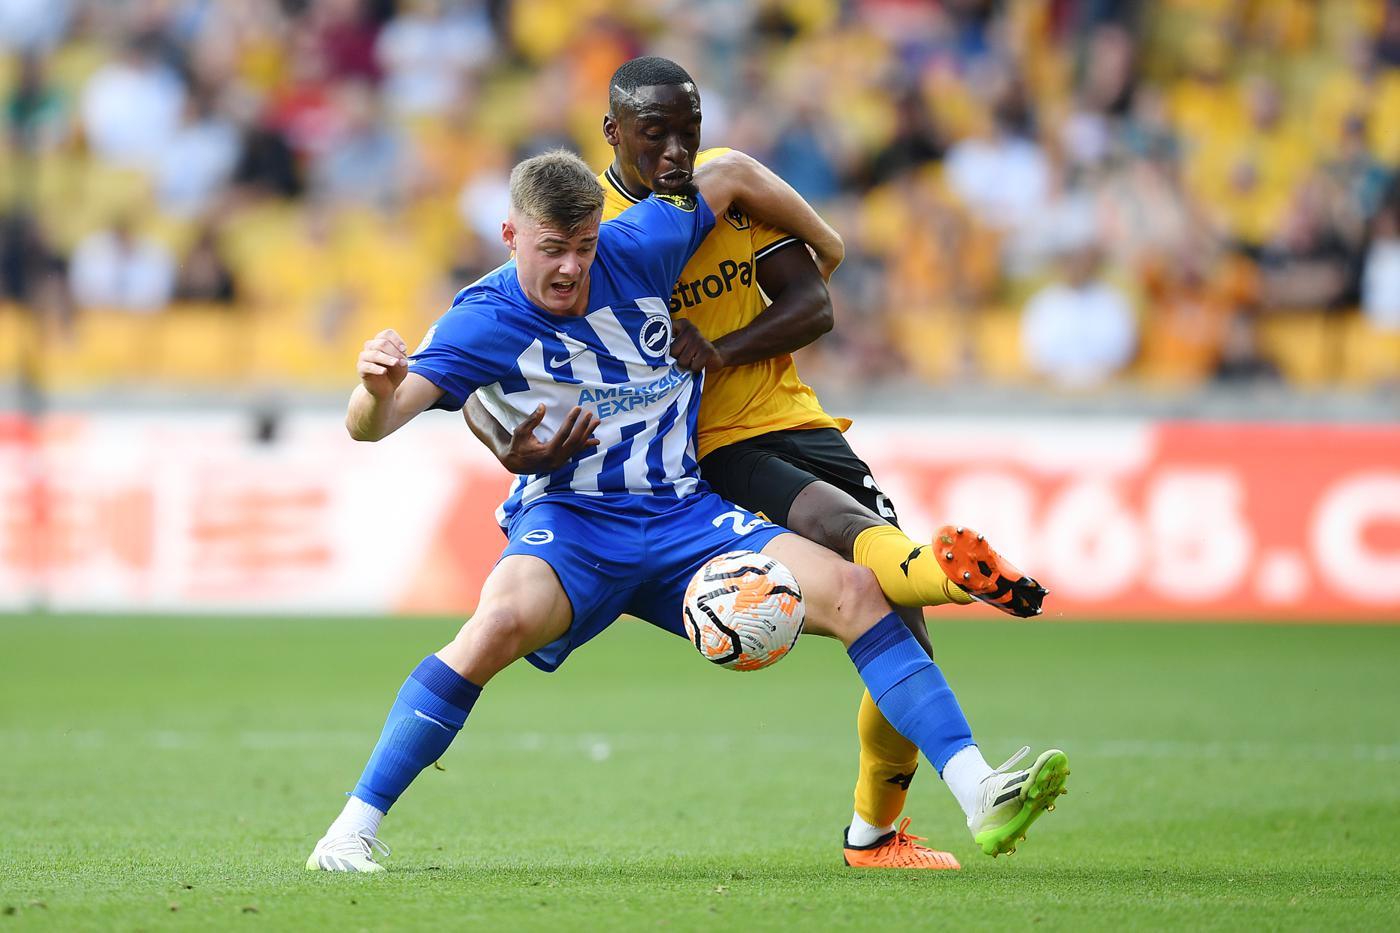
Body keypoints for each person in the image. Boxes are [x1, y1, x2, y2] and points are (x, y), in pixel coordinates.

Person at [306, 148, 1068, 872]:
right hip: (573, 522)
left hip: (685, 516)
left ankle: (978, 788)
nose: (571, 266)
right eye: (551, 249)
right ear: (511, 236)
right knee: (495, 625)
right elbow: (371, 425)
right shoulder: (482, 318)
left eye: (583, 245)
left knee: (858, 590)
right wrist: (374, 387)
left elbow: (729, 172)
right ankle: (349, 831)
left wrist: (826, 241)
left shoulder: (642, 244)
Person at [463, 57, 1049, 869]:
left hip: (795, 415)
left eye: (689, 132)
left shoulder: (722, 197)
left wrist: (728, 339)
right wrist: (495, 432)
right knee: (846, 540)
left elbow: (813, 303)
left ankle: (875, 833)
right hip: (706, 446)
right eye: (656, 134)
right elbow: (488, 333)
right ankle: (948, 584)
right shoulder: (596, 230)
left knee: (900, 625)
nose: (676, 151)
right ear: (614, 134)